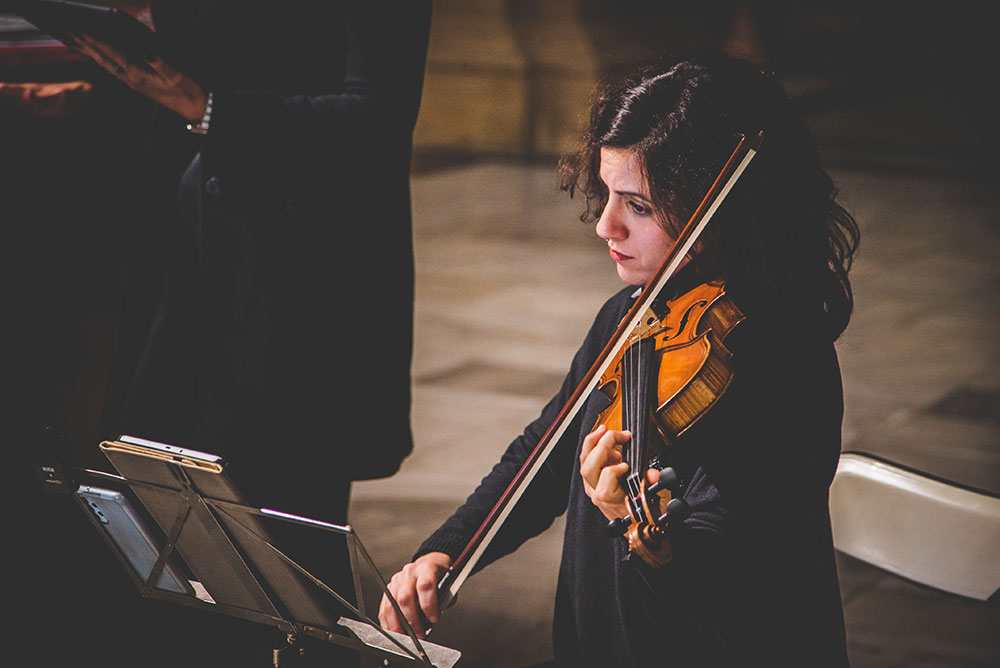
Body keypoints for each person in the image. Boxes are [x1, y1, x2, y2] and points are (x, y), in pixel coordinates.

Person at [378, 51, 860, 667]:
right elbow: (546, 452)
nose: (606, 225)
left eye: (639, 206)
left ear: (726, 209)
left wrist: (640, 529)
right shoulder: (632, 314)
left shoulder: (781, 358)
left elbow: (732, 578)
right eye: (606, 194)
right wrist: (449, 549)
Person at [13, 2, 431, 666]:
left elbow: (374, 120)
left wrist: (206, 105)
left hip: (299, 308)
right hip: (190, 274)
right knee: (166, 545)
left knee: (289, 574)